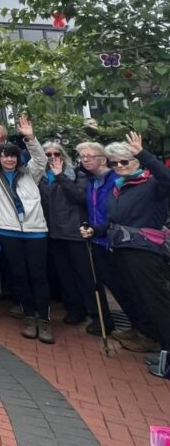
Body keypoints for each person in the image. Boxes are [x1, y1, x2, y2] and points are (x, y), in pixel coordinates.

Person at [82, 133, 170, 377]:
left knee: (157, 302)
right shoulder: (119, 188)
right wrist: (94, 229)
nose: (119, 166)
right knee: (138, 299)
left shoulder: (152, 183)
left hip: (144, 251)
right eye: (115, 163)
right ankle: (153, 340)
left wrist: (143, 154)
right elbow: (113, 220)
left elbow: (167, 179)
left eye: (125, 161)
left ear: (137, 162)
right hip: (120, 248)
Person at [0, 116, 54, 343]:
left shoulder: (31, 173)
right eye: (4, 156)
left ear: (18, 158)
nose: (8, 159)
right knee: (19, 275)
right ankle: (28, 316)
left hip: (36, 231)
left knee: (38, 275)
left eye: (12, 155)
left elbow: (40, 159)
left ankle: (44, 319)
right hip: (9, 231)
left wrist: (30, 138)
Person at [75, 141, 136, 341]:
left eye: (89, 156)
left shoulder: (116, 179)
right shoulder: (91, 181)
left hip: (117, 239)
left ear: (103, 158)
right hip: (97, 239)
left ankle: (144, 328)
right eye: (82, 157)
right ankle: (124, 324)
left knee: (126, 286)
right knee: (108, 283)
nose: (85, 160)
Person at [38, 142, 91, 328]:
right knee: (64, 273)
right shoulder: (41, 177)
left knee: (83, 274)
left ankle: (94, 312)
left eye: (56, 153)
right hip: (53, 232)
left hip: (74, 230)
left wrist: (60, 176)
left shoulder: (76, 173)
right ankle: (74, 309)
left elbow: (80, 197)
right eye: (48, 154)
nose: (52, 157)